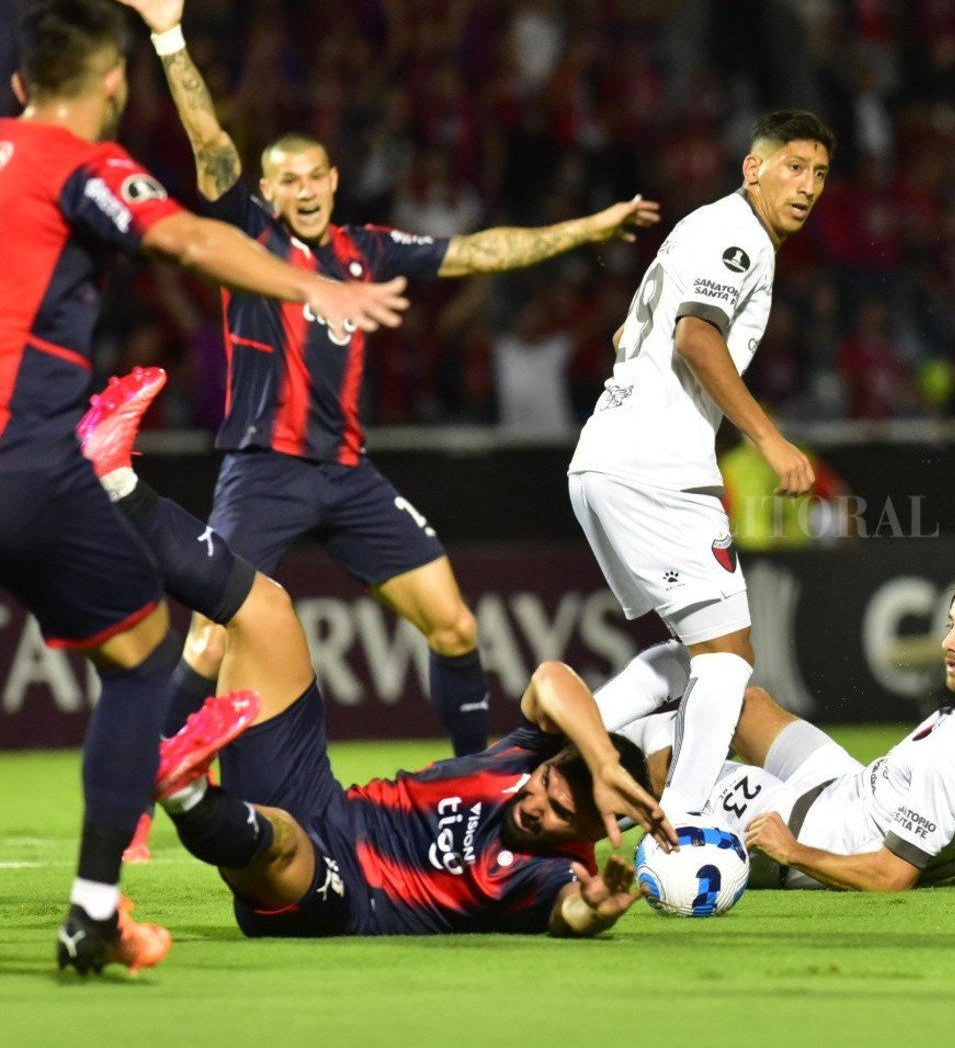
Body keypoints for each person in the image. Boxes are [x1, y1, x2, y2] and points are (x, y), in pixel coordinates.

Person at [112, 0, 661, 758]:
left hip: (347, 476)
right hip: (263, 470)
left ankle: (475, 777)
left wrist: (587, 229)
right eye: (288, 180)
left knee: (455, 624)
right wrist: (170, 38)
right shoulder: (250, 238)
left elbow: (479, 250)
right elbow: (211, 143)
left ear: (334, 179)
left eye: (315, 176)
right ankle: (139, 793)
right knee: (207, 641)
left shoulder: (366, 248)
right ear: (269, 191)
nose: (303, 190)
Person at [0, 0, 408, 974]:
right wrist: (314, 284)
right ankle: (94, 911)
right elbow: (187, 236)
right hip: (23, 462)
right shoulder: (82, 163)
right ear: (111, 84)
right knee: (143, 663)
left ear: (18, 87)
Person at [88, 370, 675, 939]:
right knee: (265, 609)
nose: (536, 804)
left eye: (560, 813)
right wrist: (597, 758)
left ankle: (185, 790)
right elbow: (551, 678)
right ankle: (114, 484)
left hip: (343, 892)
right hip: (325, 800)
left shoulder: (555, 874)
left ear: (595, 831)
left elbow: (571, 910)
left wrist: (596, 911)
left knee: (283, 841)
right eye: (547, 783)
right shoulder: (527, 758)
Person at [569, 109, 833, 818]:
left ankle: (547, 755)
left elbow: (641, 326)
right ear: (754, 167)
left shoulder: (706, 226)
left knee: (698, 652)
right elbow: (695, 337)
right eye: (793, 166)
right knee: (727, 658)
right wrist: (769, 440)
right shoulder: (739, 236)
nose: (807, 185)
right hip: (655, 465)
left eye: (818, 173)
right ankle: (681, 824)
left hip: (605, 458)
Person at [616, 557, 955, 891]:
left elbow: (890, 876)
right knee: (744, 702)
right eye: (951, 624)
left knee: (664, 751)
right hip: (847, 787)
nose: (948, 641)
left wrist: (793, 850)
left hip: (816, 835)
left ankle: (566, 789)